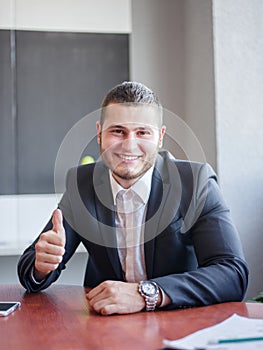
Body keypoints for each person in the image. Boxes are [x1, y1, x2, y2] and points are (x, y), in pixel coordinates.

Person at [17, 81, 249, 315]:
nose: (129, 145)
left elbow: (232, 273)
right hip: (106, 326)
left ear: (160, 137)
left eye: (142, 133)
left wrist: (147, 293)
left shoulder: (195, 182)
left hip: (181, 322)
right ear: (99, 134)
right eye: (118, 131)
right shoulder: (82, 184)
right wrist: (41, 266)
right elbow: (30, 269)